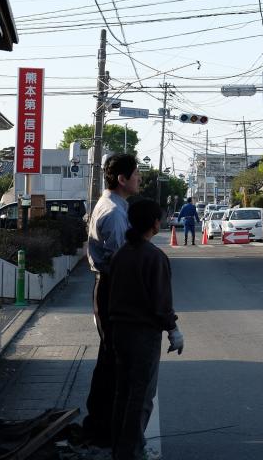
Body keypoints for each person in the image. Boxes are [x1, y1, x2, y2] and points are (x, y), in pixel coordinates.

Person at [109, 199, 184, 460]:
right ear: (155, 223)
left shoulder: (121, 254)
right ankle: (130, 452)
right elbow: (161, 303)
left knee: (123, 391)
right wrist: (173, 330)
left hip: (118, 330)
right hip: (143, 334)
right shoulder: (154, 257)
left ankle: (119, 447)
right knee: (141, 396)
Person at [83, 154, 141, 448]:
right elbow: (122, 261)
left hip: (106, 286)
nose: (139, 178)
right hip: (111, 287)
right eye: (136, 173)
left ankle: (99, 425)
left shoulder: (113, 204)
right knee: (113, 358)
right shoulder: (115, 212)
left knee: (109, 357)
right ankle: (101, 427)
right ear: (121, 179)